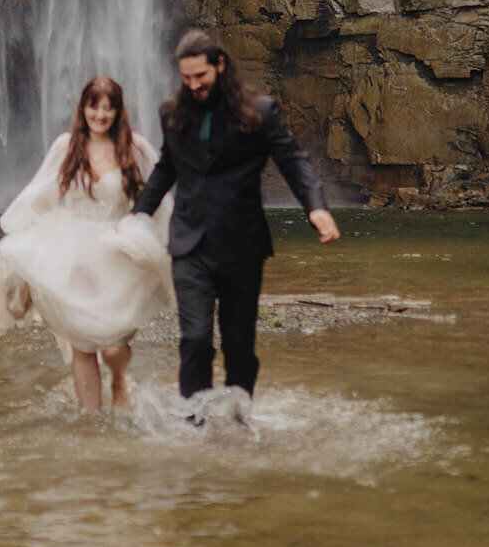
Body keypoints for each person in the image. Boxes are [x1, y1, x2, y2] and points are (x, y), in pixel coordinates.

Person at [133, 29, 340, 407]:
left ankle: (239, 416)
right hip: (189, 244)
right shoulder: (172, 113)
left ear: (220, 65)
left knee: (238, 344)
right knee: (195, 339)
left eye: (201, 76)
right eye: (187, 78)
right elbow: (167, 170)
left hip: (241, 247)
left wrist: (316, 207)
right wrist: (137, 216)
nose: (194, 85)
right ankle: (196, 421)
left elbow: (294, 161)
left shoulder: (259, 113)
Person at [0, 77, 173, 411]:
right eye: (93, 106)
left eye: (107, 107)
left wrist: (161, 239)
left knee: (114, 343)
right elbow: (39, 194)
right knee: (83, 342)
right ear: (83, 107)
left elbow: (156, 198)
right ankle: (90, 420)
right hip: (74, 252)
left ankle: (117, 378)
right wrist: (25, 234)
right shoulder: (65, 147)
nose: (100, 114)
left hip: (117, 252)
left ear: (116, 110)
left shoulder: (134, 146)